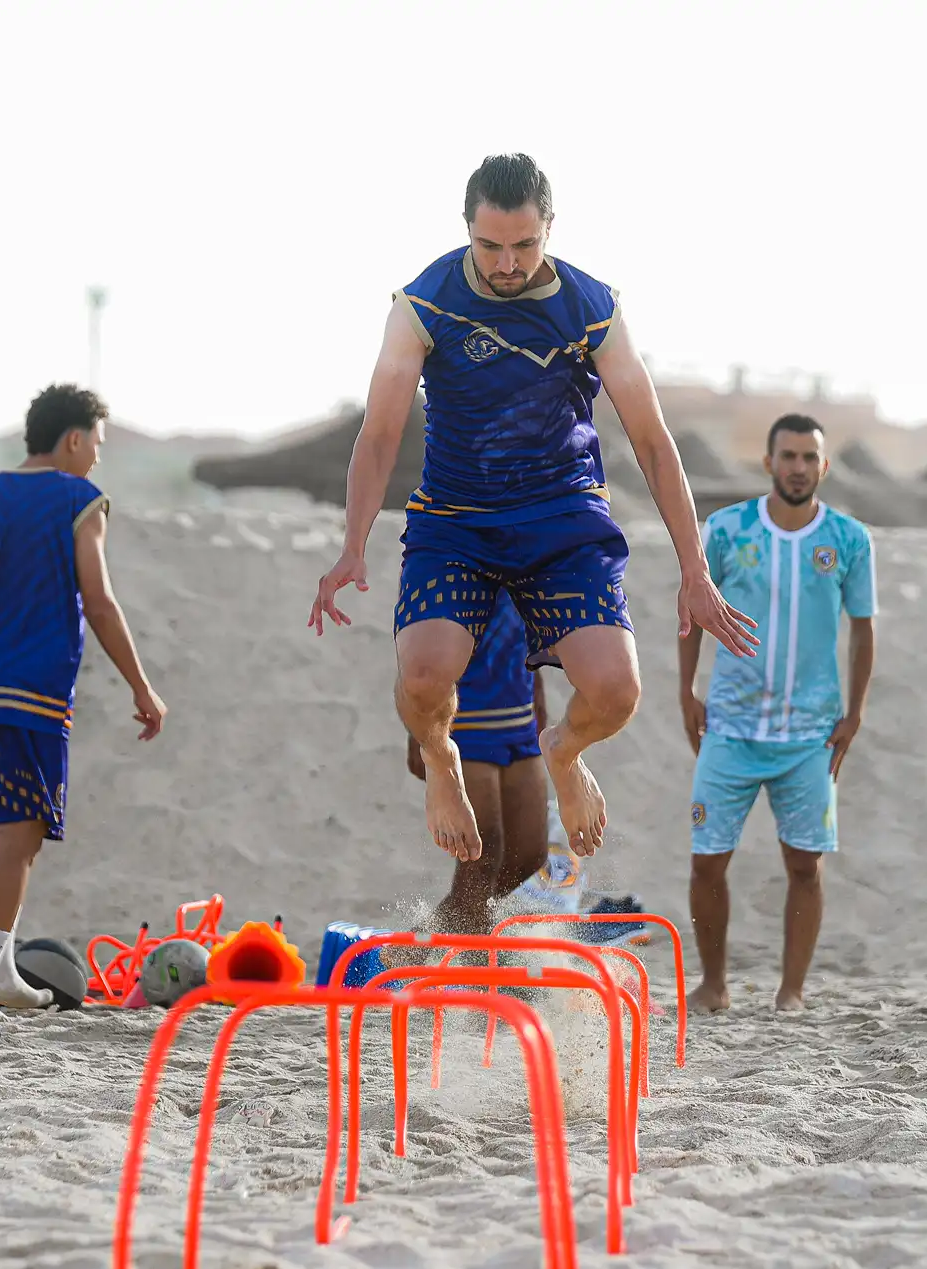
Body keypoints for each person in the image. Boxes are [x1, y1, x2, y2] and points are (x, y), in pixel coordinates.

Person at [310, 153, 758, 869]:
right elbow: (381, 433)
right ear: (466, 229)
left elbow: (651, 438)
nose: (507, 263)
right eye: (489, 245)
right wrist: (353, 544)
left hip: (562, 517)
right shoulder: (423, 304)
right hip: (456, 518)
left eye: (524, 245)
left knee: (615, 692)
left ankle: (566, 751)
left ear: (550, 228)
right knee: (423, 673)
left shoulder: (591, 306)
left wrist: (694, 569)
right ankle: (442, 760)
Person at [0, 385, 165, 1023]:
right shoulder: (79, 499)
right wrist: (140, 685)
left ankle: (5, 975)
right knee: (16, 842)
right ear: (73, 438)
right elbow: (99, 601)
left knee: (21, 833)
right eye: (96, 444)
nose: (96, 458)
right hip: (34, 696)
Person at [678, 415, 876, 1014]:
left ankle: (791, 991)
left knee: (805, 866)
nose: (798, 467)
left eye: (809, 457)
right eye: (788, 456)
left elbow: (862, 629)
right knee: (707, 861)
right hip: (731, 727)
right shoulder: (725, 529)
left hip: (809, 735)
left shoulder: (849, 539)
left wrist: (854, 712)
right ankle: (714, 984)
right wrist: (686, 689)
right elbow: (694, 609)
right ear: (768, 462)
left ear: (824, 466)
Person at [402, 591, 551, 935]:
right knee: (482, 856)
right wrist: (419, 733)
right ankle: (451, 954)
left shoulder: (530, 559)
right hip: (464, 719)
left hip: (519, 715)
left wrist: (539, 699)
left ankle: (445, 937)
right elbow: (416, 638)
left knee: (529, 855)